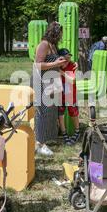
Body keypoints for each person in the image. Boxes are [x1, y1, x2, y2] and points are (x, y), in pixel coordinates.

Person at [32, 21, 68, 156]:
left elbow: (53, 64)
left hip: (50, 83)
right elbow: (38, 65)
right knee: (42, 113)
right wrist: (55, 63)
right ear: (55, 32)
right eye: (60, 33)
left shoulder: (52, 45)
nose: (61, 36)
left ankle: (43, 141)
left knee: (49, 114)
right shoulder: (44, 44)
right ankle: (39, 144)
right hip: (41, 82)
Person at [57, 48, 80, 146]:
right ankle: (64, 134)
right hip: (60, 94)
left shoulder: (71, 66)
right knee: (60, 115)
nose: (67, 60)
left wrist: (62, 73)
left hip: (70, 94)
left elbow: (73, 80)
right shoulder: (55, 66)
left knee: (73, 113)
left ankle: (77, 131)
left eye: (69, 58)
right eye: (65, 58)